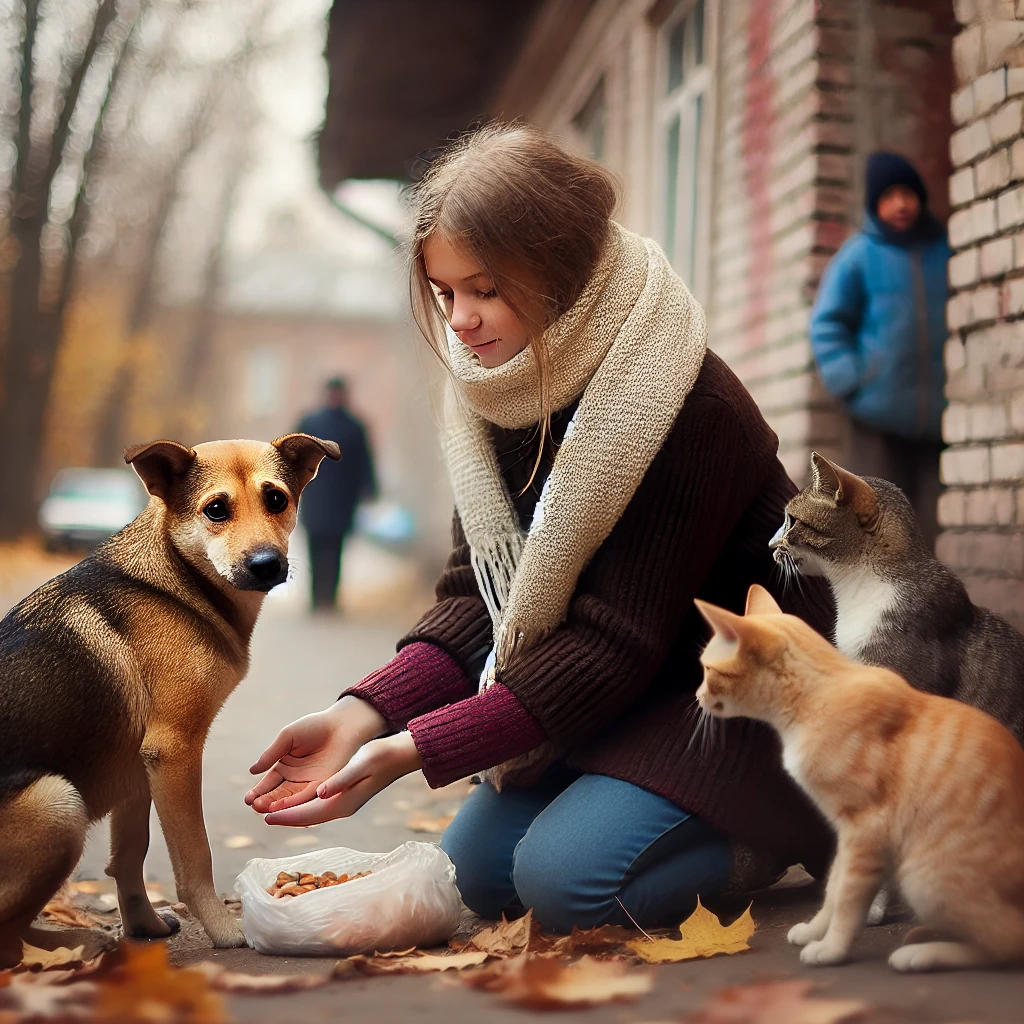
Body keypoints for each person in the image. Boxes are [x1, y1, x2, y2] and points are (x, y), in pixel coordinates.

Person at [246, 124, 835, 932]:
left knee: (565, 887)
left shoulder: (689, 405)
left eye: (484, 288)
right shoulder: (497, 391)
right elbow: (473, 594)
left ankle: (769, 836)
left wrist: (416, 749)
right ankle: (631, 809)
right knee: (477, 877)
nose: (460, 320)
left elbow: (613, 642)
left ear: (558, 268)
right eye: (445, 293)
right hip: (615, 688)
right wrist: (364, 716)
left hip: (733, 701)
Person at [810, 151, 951, 551]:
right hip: (876, 417)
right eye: (888, 196)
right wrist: (852, 380)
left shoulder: (946, 251)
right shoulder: (859, 255)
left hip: (937, 421)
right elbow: (827, 323)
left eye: (908, 193)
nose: (901, 204)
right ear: (875, 204)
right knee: (876, 523)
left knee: (929, 528)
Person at [295, 378, 376, 611]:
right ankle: (315, 598)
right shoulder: (309, 423)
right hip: (314, 496)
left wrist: (369, 488)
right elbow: (291, 456)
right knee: (314, 548)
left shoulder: (354, 427)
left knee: (336, 550)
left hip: (342, 499)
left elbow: (364, 461)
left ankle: (329, 598)